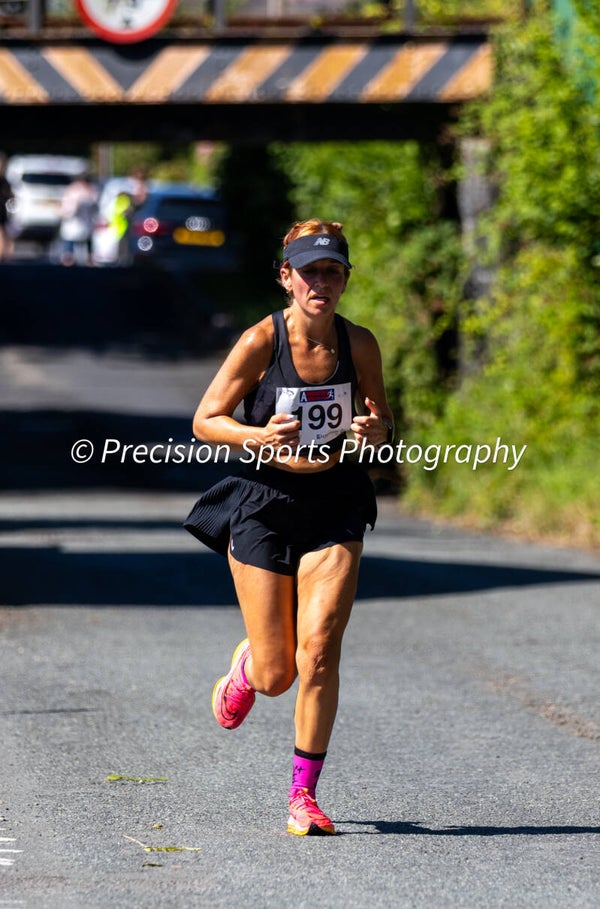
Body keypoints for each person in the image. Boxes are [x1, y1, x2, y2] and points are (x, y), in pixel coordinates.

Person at [184, 219, 393, 836]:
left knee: (321, 650)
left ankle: (303, 796)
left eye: (332, 271)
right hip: (264, 500)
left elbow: (381, 421)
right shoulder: (259, 342)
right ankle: (250, 666)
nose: (320, 282)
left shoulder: (360, 345)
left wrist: (377, 433)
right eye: (309, 271)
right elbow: (204, 420)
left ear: (345, 280)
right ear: (287, 277)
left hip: (336, 499)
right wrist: (258, 438)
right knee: (279, 674)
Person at [59, 173, 99, 266]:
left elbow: (69, 209)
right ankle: (86, 259)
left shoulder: (75, 191)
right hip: (82, 223)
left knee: (71, 241)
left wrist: (63, 212)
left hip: (76, 223)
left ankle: (69, 259)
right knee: (79, 241)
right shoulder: (90, 191)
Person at [0, 153, 14, 262]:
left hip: (2, 210)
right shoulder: (4, 181)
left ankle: (4, 255)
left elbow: (10, 195)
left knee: (3, 233)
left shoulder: (4, 181)